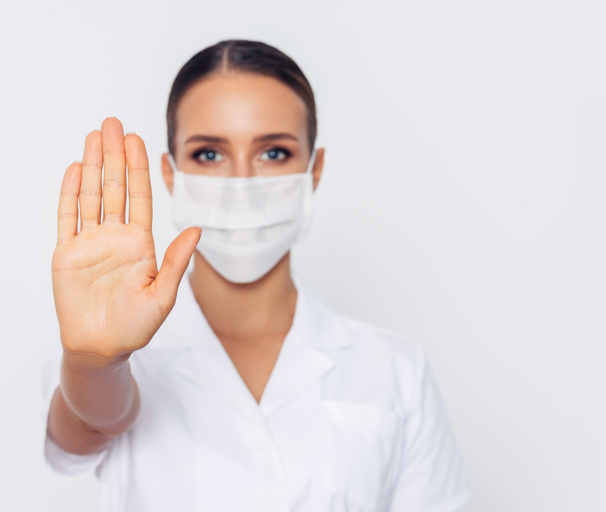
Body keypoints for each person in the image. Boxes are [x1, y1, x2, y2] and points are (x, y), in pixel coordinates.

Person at [42, 39, 473, 512]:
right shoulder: (117, 354)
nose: (241, 186)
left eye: (273, 153)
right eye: (209, 154)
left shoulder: (396, 371)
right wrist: (93, 363)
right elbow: (91, 425)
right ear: (170, 175)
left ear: (315, 170)